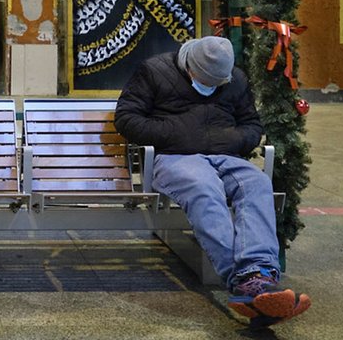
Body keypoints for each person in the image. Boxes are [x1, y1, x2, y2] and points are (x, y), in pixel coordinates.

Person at [114, 35, 311, 326]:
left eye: (218, 83)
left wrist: (232, 139)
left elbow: (251, 125)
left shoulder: (236, 79)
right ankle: (244, 280)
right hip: (175, 157)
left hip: (226, 155)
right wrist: (179, 135)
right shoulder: (154, 71)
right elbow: (127, 119)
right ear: (189, 67)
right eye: (204, 80)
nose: (210, 87)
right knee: (204, 187)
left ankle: (259, 274)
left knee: (257, 185)